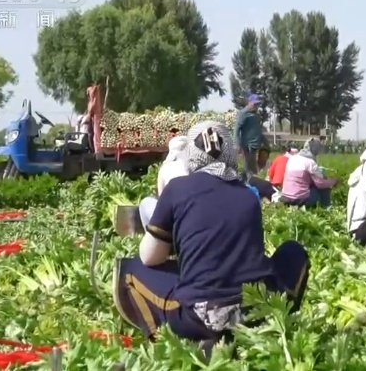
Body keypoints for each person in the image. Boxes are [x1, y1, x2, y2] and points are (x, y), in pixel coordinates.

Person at [112, 121, 310, 352]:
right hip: (257, 312)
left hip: (199, 318)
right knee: (293, 251)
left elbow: (150, 258)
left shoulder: (177, 188)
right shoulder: (248, 194)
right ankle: (277, 323)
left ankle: (169, 346)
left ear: (191, 156)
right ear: (229, 153)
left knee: (128, 271)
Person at [137, 136, 191, 228]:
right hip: (191, 218)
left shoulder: (165, 168)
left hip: (172, 222)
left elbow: (162, 199)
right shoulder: (193, 167)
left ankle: (152, 237)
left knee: (145, 203)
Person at [234, 94, 266, 180]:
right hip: (248, 144)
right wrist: (237, 144)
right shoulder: (244, 113)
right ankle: (248, 184)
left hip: (255, 143)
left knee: (251, 167)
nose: (256, 106)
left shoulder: (255, 114)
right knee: (249, 168)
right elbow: (237, 128)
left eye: (258, 104)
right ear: (249, 102)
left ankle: (246, 181)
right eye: (255, 104)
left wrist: (263, 139)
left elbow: (256, 128)